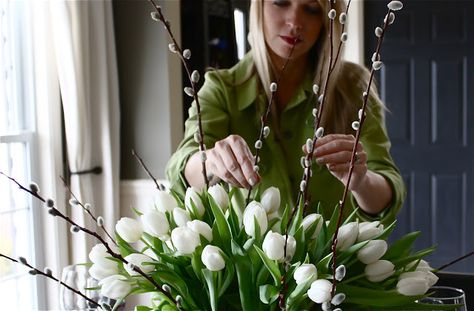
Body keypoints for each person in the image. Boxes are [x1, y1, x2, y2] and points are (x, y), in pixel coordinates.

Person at [166, 0, 406, 225]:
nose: (295, 22)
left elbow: (387, 195)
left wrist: (362, 182)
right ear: (258, 6)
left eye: (311, 9)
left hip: (338, 265)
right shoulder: (221, 90)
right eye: (281, 2)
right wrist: (212, 161)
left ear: (326, 20)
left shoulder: (353, 86)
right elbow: (182, 170)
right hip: (251, 268)